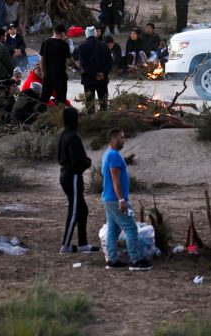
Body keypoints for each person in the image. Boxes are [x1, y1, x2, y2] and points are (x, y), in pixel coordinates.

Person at [101, 128, 152, 271]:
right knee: (131, 228)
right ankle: (135, 260)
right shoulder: (114, 156)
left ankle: (112, 260)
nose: (124, 140)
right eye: (121, 138)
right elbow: (115, 180)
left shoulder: (107, 154)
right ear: (114, 139)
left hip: (108, 198)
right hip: (115, 199)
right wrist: (121, 200)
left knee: (113, 229)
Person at [58, 107, 99, 254]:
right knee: (74, 211)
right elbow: (77, 161)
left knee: (83, 210)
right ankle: (66, 245)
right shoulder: (73, 137)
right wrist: (87, 162)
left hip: (65, 174)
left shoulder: (64, 134)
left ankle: (83, 243)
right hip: (73, 176)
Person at [39, 24, 79, 105]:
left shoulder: (45, 43)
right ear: (63, 33)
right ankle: (60, 116)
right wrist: (78, 68)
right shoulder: (64, 44)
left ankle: (39, 115)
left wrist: (43, 73)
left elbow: (41, 59)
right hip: (60, 76)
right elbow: (69, 61)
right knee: (61, 101)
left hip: (48, 75)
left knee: (44, 99)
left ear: (54, 31)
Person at [78, 26, 113, 113]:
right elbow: (110, 62)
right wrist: (103, 73)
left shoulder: (82, 47)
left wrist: (95, 74)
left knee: (90, 105)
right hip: (102, 79)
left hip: (89, 79)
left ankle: (92, 122)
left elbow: (84, 65)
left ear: (86, 34)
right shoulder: (104, 45)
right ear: (95, 34)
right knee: (104, 104)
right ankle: (104, 122)